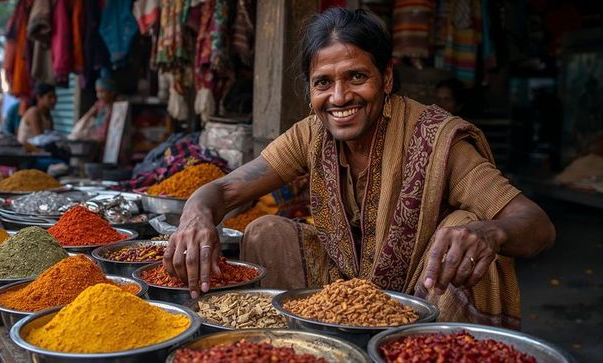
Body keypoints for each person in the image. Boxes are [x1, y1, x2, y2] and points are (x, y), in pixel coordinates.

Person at [164, 8, 555, 328]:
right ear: (310, 90)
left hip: (424, 303)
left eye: (356, 76)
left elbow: (535, 224)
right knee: (267, 230)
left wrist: (489, 232)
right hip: (347, 296)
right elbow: (226, 190)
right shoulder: (312, 134)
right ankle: (302, 345)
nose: (339, 97)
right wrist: (196, 215)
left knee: (463, 230)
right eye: (323, 82)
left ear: (385, 78)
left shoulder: (437, 141)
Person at [69, 69, 117, 143]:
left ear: (112, 93)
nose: (99, 95)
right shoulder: (98, 104)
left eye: (102, 92)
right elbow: (88, 115)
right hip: (98, 136)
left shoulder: (116, 107)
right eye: (97, 92)